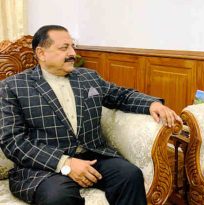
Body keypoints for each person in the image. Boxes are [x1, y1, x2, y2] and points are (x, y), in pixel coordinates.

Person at [0, 25, 182, 205]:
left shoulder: (88, 77)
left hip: (93, 154)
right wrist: (65, 163)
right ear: (41, 53)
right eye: (64, 48)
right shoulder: (13, 87)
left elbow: (121, 95)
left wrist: (152, 103)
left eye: (73, 46)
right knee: (59, 197)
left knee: (129, 175)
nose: (73, 53)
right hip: (42, 167)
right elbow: (13, 141)